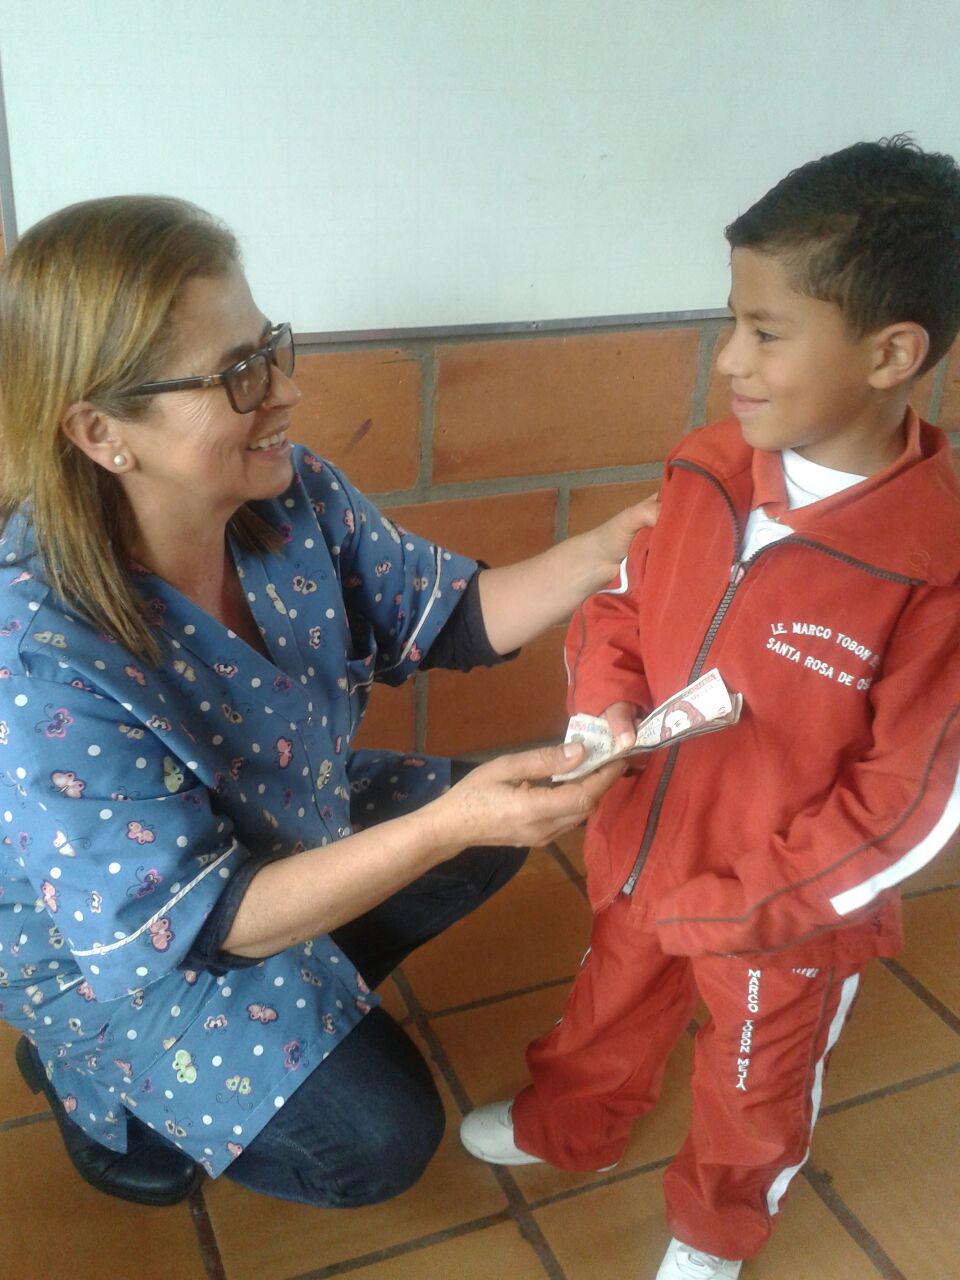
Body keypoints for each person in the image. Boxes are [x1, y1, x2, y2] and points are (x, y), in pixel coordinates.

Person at [0, 194, 658, 1208]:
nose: (288, 390)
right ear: (101, 430)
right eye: (238, 374)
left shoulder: (287, 494)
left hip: (272, 834)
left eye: (270, 348)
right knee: (379, 1140)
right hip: (134, 946)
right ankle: (102, 1084)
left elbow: (450, 615)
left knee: (479, 836)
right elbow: (200, 918)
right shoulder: (38, 650)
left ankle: (299, 999)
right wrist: (446, 822)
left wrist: (608, 549)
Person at [459, 136, 960, 1280]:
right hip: (644, 851)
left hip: (785, 916)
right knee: (604, 1009)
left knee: (755, 1082)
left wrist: (749, 904)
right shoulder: (706, 467)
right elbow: (621, 607)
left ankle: (716, 1226)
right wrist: (601, 710)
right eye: (732, 320)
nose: (729, 357)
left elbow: (906, 807)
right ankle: (566, 1124)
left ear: (892, 352)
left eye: (767, 332)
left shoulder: (934, 567)